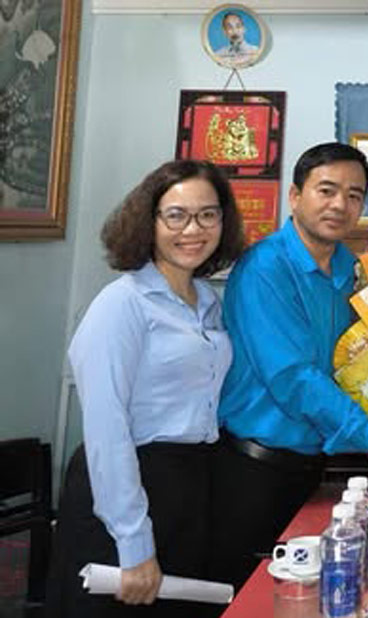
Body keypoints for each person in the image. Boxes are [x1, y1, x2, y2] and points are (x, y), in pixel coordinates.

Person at [209, 142, 368, 589]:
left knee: (314, 593)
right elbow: (293, 378)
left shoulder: (349, 270)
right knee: (255, 594)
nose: (340, 204)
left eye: (354, 195)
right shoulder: (264, 269)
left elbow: (362, 363)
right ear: (296, 197)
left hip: (313, 468)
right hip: (254, 470)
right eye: (327, 190)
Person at [46, 160, 244, 617]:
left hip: (189, 486)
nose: (193, 229)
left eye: (208, 214)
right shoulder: (122, 304)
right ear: (149, 221)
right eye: (176, 215)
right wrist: (133, 544)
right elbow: (107, 428)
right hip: (124, 488)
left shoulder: (207, 302)